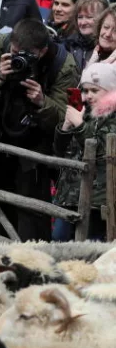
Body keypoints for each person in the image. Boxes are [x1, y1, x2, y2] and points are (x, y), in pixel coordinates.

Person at [0, 18, 78, 241]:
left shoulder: (61, 62)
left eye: (27, 55)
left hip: (36, 153)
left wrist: (42, 101)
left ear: (43, 50)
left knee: (33, 223)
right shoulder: (1, 46)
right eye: (16, 51)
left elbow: (65, 119)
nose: (19, 58)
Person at [52, 63, 116, 240]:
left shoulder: (112, 116)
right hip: (69, 191)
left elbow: (101, 150)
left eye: (94, 91)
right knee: (59, 237)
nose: (88, 96)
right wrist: (65, 128)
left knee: (91, 242)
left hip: (98, 196)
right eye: (85, 91)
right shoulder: (83, 111)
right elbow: (59, 151)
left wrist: (79, 126)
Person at [65, 0, 109, 71]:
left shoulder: (109, 48)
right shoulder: (68, 45)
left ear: (104, 18)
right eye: (80, 17)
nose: (83, 23)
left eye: (89, 17)